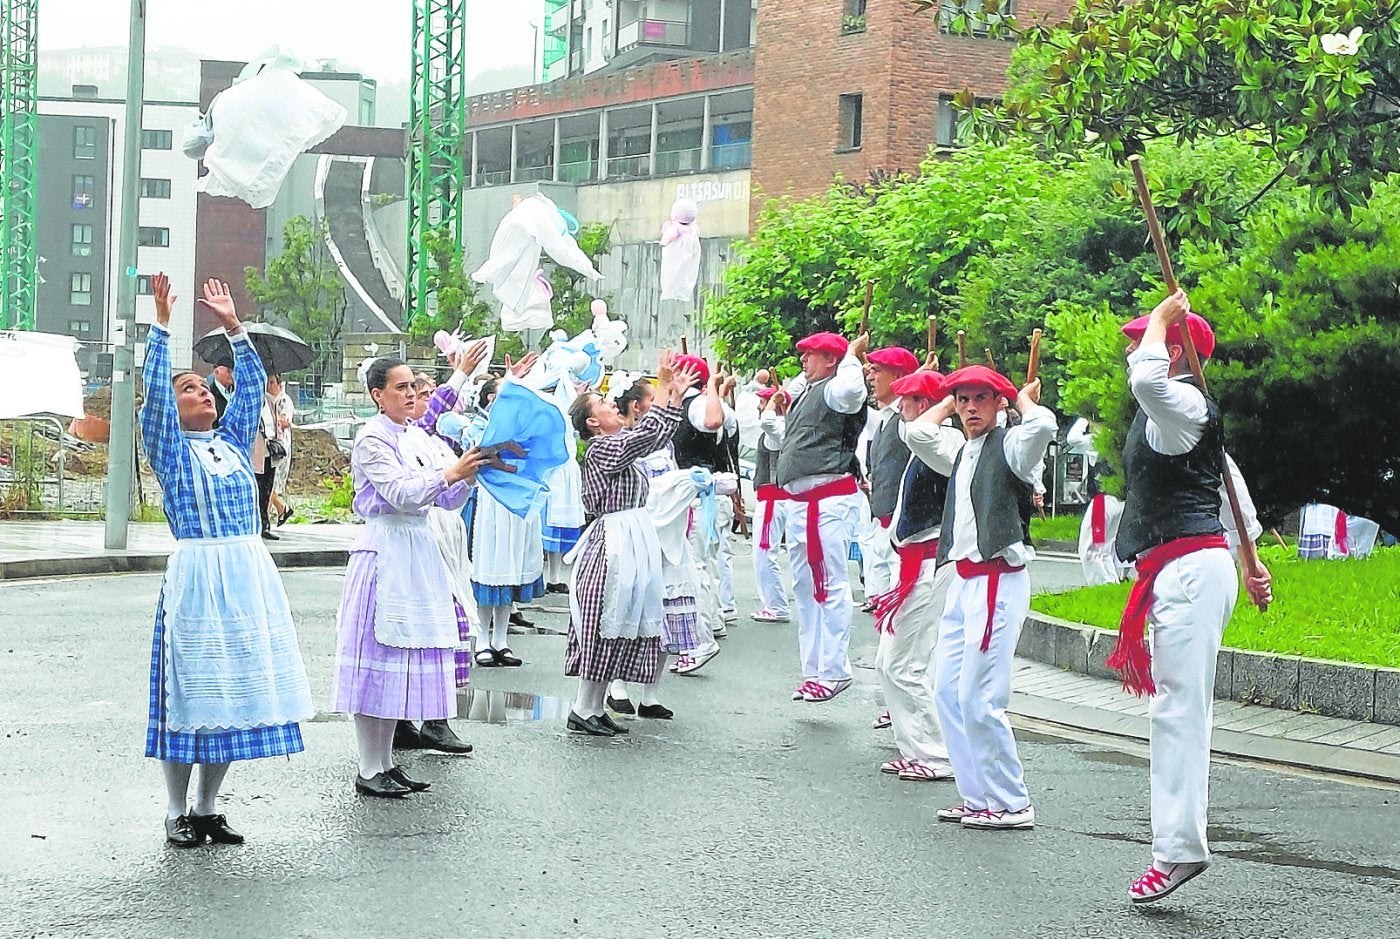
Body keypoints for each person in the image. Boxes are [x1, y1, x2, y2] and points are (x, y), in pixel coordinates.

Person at [140, 273, 314, 847]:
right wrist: (162, 326)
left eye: (206, 390)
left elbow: (250, 392)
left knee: (232, 690)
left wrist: (236, 327)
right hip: (197, 576)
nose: (203, 395)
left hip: (245, 576)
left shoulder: (235, 445)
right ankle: (174, 810)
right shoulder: (171, 450)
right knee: (187, 690)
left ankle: (209, 807)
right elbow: (156, 403)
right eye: (190, 389)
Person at [1111, 290, 1270, 903]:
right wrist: (1252, 567)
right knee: (1177, 709)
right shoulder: (1183, 422)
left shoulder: (1181, 406)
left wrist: (1160, 318)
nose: (1134, 346)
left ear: (1175, 352)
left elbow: (1146, 381)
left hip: (1188, 573)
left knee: (1178, 712)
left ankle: (1178, 851)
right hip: (1187, 571)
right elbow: (1236, 500)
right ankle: (1178, 845)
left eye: (1142, 338)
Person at [332, 357, 491, 798]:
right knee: (379, 659)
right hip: (386, 548)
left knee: (403, 661)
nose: (407, 393)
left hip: (418, 548)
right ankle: (368, 766)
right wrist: (449, 474)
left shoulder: (417, 435)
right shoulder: (370, 438)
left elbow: (446, 499)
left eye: (411, 386)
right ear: (377, 395)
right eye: (399, 387)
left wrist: (470, 475)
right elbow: (400, 492)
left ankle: (386, 761)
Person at [912, 363, 1056, 831]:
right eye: (963, 400)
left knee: (980, 697)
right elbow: (916, 432)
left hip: (998, 579)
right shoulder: (961, 449)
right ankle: (978, 796)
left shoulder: (1012, 447)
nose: (971, 407)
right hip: (964, 580)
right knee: (946, 693)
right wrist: (946, 400)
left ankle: (1012, 801)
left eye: (980, 399)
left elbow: (1044, 425)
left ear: (998, 404)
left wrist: (1021, 398)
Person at [563, 352, 699, 735]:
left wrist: (672, 398)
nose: (613, 406)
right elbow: (642, 439)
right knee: (602, 617)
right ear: (592, 422)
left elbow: (650, 437)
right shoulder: (602, 448)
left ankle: (594, 704)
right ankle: (582, 706)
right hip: (613, 540)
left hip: (631, 535)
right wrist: (665, 397)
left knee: (624, 617)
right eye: (604, 404)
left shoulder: (619, 443)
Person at [390, 343, 497, 756]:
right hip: (421, 533)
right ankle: (421, 718)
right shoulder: (399, 435)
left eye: (420, 392)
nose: (419, 399)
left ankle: (428, 717)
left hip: (443, 532)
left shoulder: (427, 439)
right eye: (410, 391)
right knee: (433, 624)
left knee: (447, 623)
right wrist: (461, 375)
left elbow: (453, 486)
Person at [764, 330, 869, 702]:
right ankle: (814, 668)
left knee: (830, 584)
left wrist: (852, 356)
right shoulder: (808, 390)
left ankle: (834, 668)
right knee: (806, 587)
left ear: (830, 360)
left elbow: (853, 391)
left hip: (826, 500)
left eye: (811, 355)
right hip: (800, 501)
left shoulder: (838, 390)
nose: (803, 361)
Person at [869, 368, 955, 783]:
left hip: (929, 565)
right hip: (912, 563)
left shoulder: (947, 443)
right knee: (889, 662)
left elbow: (919, 433)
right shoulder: (929, 445)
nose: (898, 407)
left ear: (924, 406)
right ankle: (915, 747)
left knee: (905, 663)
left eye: (906, 401)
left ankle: (935, 754)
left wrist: (947, 402)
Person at [466, 377, 546, 667]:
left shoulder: (525, 427)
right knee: (490, 565)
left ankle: (501, 638)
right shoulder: (478, 425)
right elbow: (478, 454)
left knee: (512, 565)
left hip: (519, 505)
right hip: (491, 504)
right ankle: (481, 638)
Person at [671, 354, 740, 640]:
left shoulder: (698, 404)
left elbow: (712, 421)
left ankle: (701, 630)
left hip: (699, 496)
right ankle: (713, 620)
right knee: (706, 561)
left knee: (696, 564)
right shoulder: (697, 402)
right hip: (705, 495)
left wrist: (711, 387)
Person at [750, 385, 791, 624]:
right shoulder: (782, 429)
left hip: (773, 500)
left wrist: (774, 402)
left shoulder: (778, 430)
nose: (759, 406)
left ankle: (776, 606)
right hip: (773, 499)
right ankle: (773, 604)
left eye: (763, 402)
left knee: (764, 554)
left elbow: (767, 423)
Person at [266, 374, 294, 526]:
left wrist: (274, 419)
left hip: (280, 447)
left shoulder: (284, 401)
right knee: (268, 483)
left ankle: (277, 510)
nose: (269, 386)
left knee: (272, 484)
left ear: (279, 383)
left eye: (272, 382)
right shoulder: (265, 399)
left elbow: (285, 422)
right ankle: (279, 510)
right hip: (267, 446)